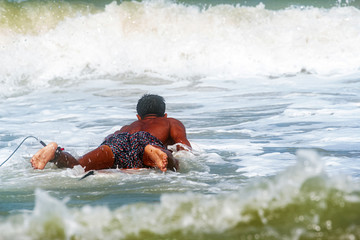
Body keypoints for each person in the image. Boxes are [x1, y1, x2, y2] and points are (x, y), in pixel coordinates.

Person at [30, 94, 191, 172]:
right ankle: (152, 151)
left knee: (78, 166)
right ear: (164, 115)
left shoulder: (126, 127)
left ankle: (55, 153)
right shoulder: (170, 122)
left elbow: (117, 142)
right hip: (146, 141)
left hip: (116, 141)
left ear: (138, 117)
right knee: (172, 165)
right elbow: (184, 149)